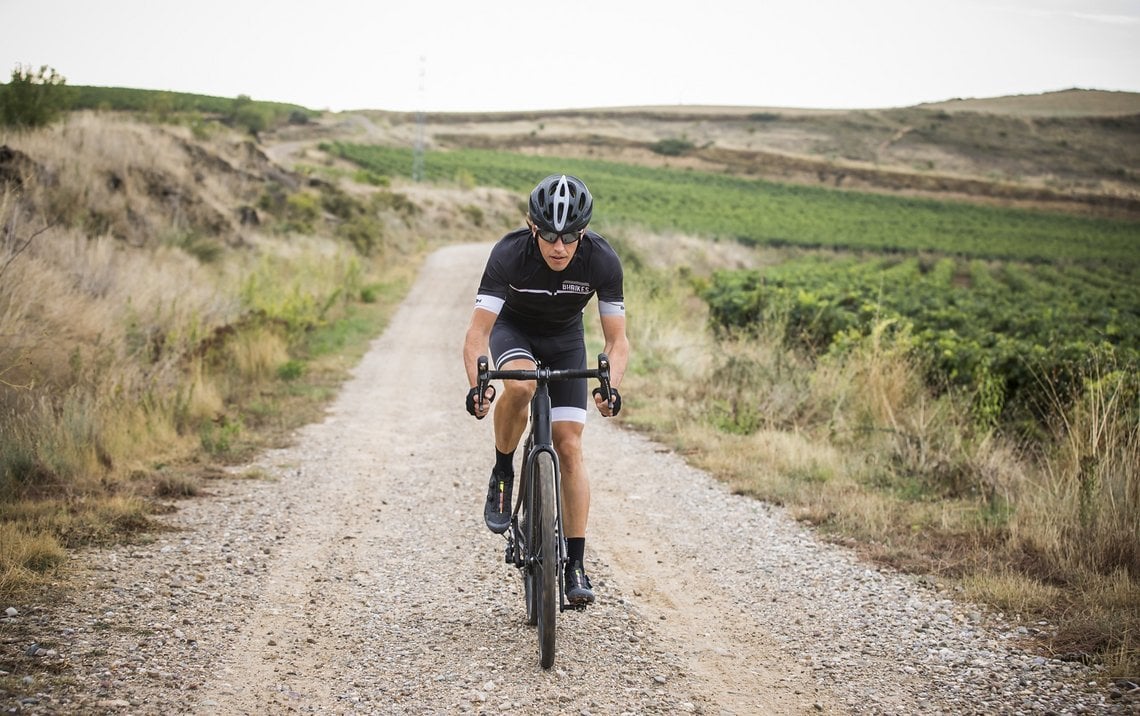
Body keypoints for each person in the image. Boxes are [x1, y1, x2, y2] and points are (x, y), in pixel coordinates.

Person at [463, 173, 629, 606]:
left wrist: (611, 385)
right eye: (550, 235)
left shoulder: (602, 260)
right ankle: (503, 469)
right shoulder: (509, 254)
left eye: (570, 236)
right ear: (531, 226)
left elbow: (617, 341)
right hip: (514, 331)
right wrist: (478, 387)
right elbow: (478, 334)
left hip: (565, 340)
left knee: (569, 445)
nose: (559, 247)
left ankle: (574, 562)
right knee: (517, 384)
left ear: (584, 231)